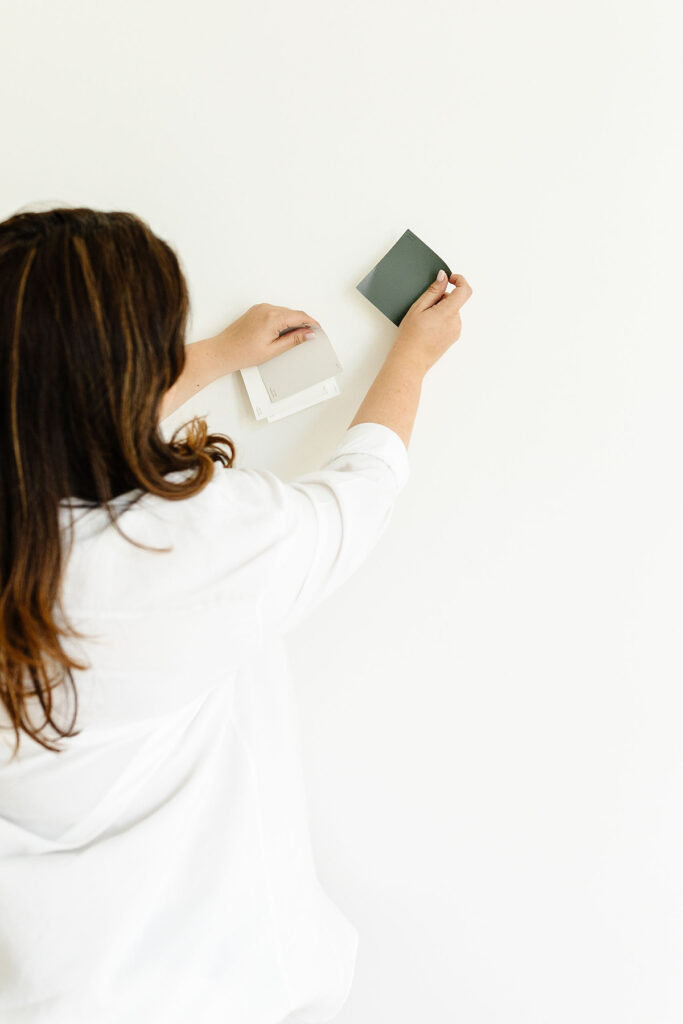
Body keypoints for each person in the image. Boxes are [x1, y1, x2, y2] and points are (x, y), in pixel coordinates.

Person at [0, 206, 472, 1024]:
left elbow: (54, 421)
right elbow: (357, 495)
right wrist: (413, 359)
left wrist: (214, 357)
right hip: (216, 994)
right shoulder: (185, 545)